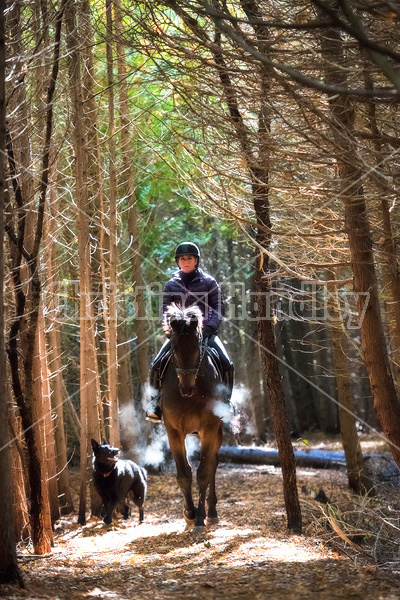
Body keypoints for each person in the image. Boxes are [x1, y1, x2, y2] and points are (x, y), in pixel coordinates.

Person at [146, 241, 234, 423]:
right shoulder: (171, 284)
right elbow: (165, 309)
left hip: (206, 334)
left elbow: (218, 306)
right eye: (182, 258)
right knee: (156, 364)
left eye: (189, 258)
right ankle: (155, 404)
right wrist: (171, 329)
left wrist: (210, 326)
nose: (186, 261)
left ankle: (226, 403)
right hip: (179, 336)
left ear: (196, 261)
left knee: (227, 363)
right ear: (178, 262)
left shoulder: (209, 282)